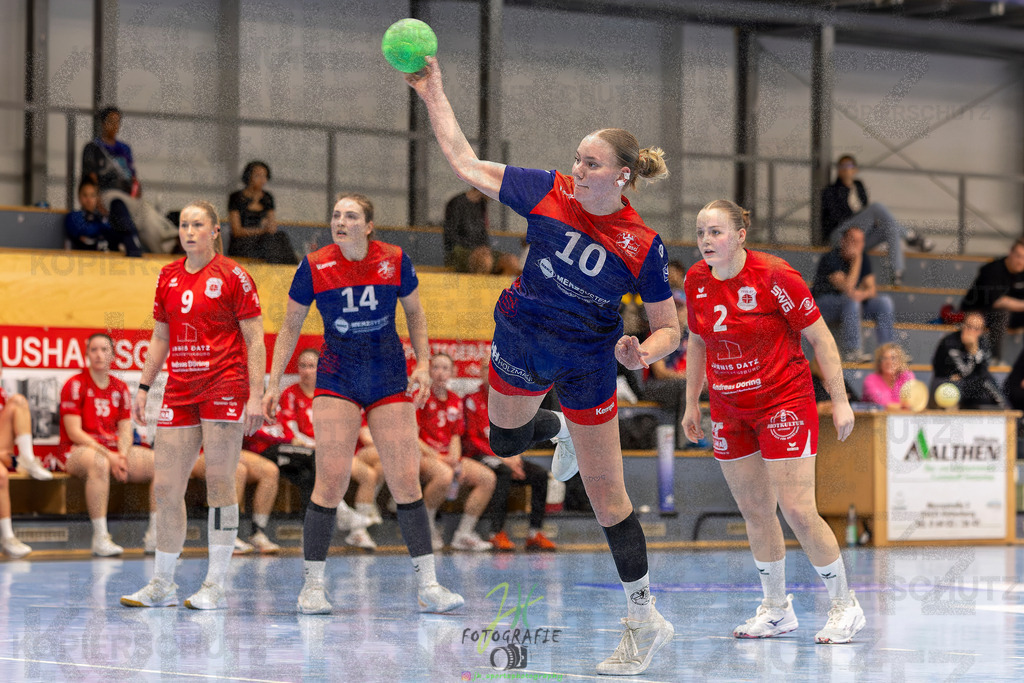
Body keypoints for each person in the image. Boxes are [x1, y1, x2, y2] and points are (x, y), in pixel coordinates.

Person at [407, 57, 678, 676]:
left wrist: (645, 352)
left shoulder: (641, 244)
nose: (578, 170)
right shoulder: (548, 191)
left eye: (591, 163)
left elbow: (670, 328)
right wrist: (434, 93)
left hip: (586, 360)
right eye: (577, 159)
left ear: (623, 177)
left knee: (608, 494)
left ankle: (643, 618)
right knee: (502, 440)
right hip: (523, 337)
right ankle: (556, 434)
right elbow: (466, 164)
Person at [263, 193, 463, 615]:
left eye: (350, 216)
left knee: (407, 480)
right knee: (331, 480)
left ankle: (429, 584)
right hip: (338, 377)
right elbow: (290, 328)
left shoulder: (394, 259)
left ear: (368, 225)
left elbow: (416, 315)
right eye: (336, 215)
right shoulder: (315, 265)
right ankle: (313, 587)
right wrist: (271, 382)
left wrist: (424, 363)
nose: (341, 221)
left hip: (388, 376)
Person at [682, 199, 866, 645]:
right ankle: (777, 609)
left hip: (784, 400)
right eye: (702, 232)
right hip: (729, 408)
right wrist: (692, 403)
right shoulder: (696, 280)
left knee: (799, 510)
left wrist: (840, 401)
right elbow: (698, 341)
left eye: (717, 232)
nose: (707, 240)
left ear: (740, 234)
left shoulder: (775, 276)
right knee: (756, 511)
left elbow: (821, 339)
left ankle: (846, 606)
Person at [120, 200, 265, 610]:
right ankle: (163, 583)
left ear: (215, 231)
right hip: (180, 389)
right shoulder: (167, 276)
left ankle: (215, 584)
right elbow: (160, 337)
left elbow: (255, 339)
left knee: (220, 483)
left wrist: (255, 393)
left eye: (197, 224)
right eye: (183, 224)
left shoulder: (234, 275)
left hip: (224, 384)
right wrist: (144, 387)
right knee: (166, 487)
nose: (188, 230)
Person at [60, 333, 157, 557]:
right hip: (77, 451)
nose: (99, 354)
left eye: (104, 350)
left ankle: (155, 536)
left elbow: (124, 429)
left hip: (114, 451)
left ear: (113, 355)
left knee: (159, 464)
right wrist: (110, 455)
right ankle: (100, 537)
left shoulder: (120, 387)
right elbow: (74, 432)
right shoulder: (74, 384)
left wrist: (122, 455)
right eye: (94, 349)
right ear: (86, 354)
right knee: (99, 462)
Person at [462, 356, 556, 552]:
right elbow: (472, 439)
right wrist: (503, 458)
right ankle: (496, 532)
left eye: (494, 368)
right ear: (480, 372)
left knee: (539, 474)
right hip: (479, 456)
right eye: (486, 368)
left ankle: (534, 533)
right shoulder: (471, 400)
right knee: (502, 472)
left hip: (507, 456)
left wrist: (515, 457)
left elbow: (516, 433)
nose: (490, 372)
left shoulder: (507, 401)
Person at [416, 353, 496, 552]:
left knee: (487, 478)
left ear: (453, 372)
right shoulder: (421, 397)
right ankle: (426, 529)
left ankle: (464, 534)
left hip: (446, 457)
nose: (441, 373)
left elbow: (455, 436)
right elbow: (412, 437)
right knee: (444, 475)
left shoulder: (455, 400)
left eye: (445, 368)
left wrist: (455, 460)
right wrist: (439, 458)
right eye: (436, 368)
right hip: (425, 455)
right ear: (429, 371)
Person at [821, 154, 933, 285]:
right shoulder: (830, 191)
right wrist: (864, 218)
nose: (846, 169)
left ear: (855, 169)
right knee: (877, 207)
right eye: (843, 166)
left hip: (859, 236)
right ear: (838, 170)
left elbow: (866, 211)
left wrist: (868, 220)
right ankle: (910, 236)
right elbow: (838, 219)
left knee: (889, 228)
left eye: (849, 166)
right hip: (840, 235)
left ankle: (897, 272)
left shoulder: (859, 186)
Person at [81, 106, 176, 254]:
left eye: (117, 122)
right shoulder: (93, 147)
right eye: (111, 121)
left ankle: (167, 245)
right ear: (102, 123)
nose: (115, 126)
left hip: (127, 196)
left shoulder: (124, 148)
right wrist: (97, 199)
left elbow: (132, 176)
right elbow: (91, 178)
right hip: (107, 194)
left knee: (145, 211)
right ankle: (131, 243)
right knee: (118, 204)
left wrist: (137, 189)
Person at [811, 225, 896, 363]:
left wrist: (860, 294)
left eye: (860, 241)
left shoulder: (864, 258)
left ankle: (887, 352)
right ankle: (852, 352)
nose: (857, 245)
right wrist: (856, 261)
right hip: (824, 305)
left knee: (884, 302)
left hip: (851, 306)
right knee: (851, 301)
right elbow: (847, 287)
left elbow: (872, 290)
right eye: (853, 240)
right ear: (843, 241)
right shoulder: (831, 258)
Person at [960, 239, 1024, 364]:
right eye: (1018, 256)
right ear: (1010, 253)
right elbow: (997, 301)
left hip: (1011, 316)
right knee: (1001, 313)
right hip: (979, 312)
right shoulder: (992, 269)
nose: (1020, 261)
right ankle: (995, 358)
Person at [929, 311, 1007, 410]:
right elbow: (938, 366)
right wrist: (950, 375)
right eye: (969, 326)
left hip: (970, 383)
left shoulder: (982, 343)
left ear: (981, 331)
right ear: (963, 326)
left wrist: (973, 353)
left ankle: (1007, 410)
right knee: (950, 392)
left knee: (988, 382)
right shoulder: (949, 342)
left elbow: (983, 372)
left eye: (977, 329)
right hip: (947, 382)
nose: (971, 331)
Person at [227, 160, 298, 264]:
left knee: (280, 237)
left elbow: (272, 225)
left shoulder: (267, 198)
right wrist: (262, 230)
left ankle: (292, 271)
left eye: (265, 176)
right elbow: (237, 231)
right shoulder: (236, 197)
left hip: (263, 241)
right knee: (269, 242)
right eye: (258, 176)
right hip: (243, 243)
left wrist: (268, 228)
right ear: (248, 177)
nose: (262, 180)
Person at [442, 187, 520, 275]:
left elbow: (483, 234)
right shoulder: (456, 203)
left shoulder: (482, 205)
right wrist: (475, 248)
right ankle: (478, 288)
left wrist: (485, 248)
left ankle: (501, 288)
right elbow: (450, 236)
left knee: (512, 262)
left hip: (481, 251)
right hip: (459, 251)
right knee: (484, 261)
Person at [0, 362, 52, 481]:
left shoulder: (2, 395)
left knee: (19, 400)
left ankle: (27, 459)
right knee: (1, 477)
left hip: (3, 450)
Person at [65, 179, 115, 251]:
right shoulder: (73, 216)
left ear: (97, 198)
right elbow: (85, 230)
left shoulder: (103, 216)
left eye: (92, 195)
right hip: (79, 257)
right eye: (85, 195)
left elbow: (112, 231)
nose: (89, 200)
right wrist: (101, 225)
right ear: (79, 196)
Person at [861, 343, 915, 410]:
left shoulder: (906, 376)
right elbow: (883, 404)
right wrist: (903, 406)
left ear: (900, 361)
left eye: (893, 358)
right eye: (885, 358)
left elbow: (913, 401)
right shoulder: (870, 380)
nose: (889, 362)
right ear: (879, 363)